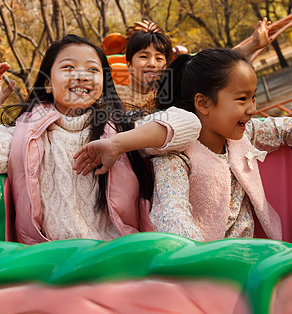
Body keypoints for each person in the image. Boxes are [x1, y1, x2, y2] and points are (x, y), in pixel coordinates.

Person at [0, 34, 201, 244]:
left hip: (119, 259)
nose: (81, 75)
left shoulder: (122, 128)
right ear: (48, 84)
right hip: (49, 266)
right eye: (69, 67)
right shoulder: (20, 136)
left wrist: (117, 144)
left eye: (92, 70)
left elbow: (189, 124)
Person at [75, 47, 290, 242]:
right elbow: (171, 215)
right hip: (207, 264)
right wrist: (200, 255)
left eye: (253, 97)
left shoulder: (244, 134)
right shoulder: (177, 157)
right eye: (242, 99)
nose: (253, 108)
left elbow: (282, 128)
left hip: (253, 253)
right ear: (203, 103)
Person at [114, 18, 272, 111]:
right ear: (128, 64)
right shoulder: (114, 96)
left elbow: (213, 65)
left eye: (159, 58)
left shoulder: (175, 88)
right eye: (143, 56)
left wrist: (253, 45)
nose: (152, 64)